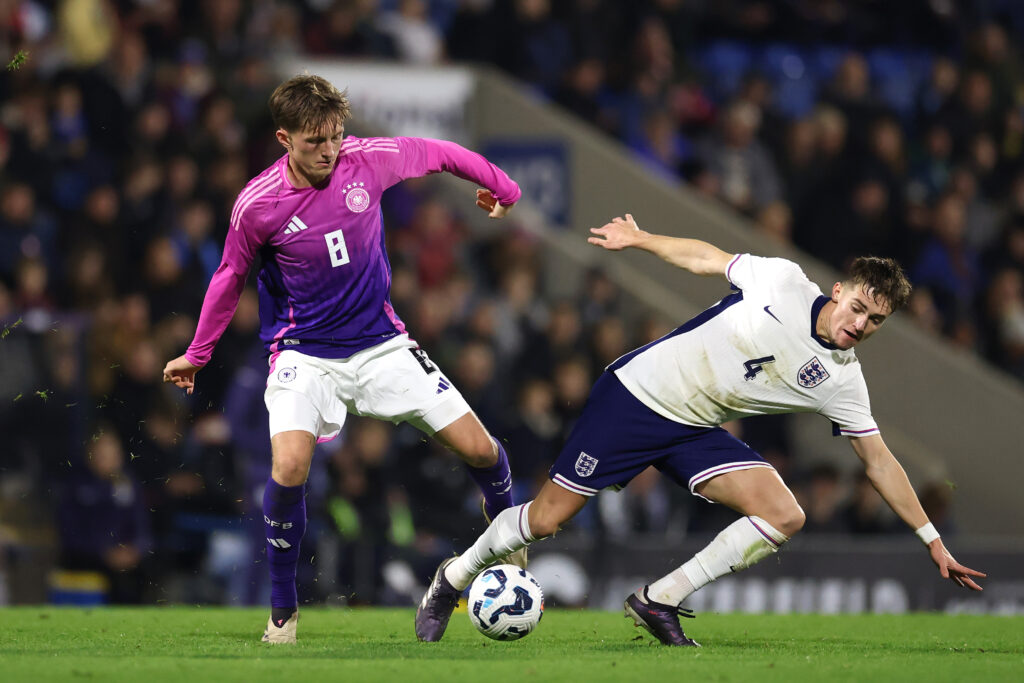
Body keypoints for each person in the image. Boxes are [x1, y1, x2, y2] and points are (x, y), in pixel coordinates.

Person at [415, 213, 987, 645]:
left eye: (875, 321)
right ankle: (454, 576)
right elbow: (707, 257)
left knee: (785, 513)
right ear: (839, 290)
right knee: (544, 520)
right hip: (638, 396)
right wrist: (641, 240)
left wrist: (932, 541)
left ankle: (658, 599)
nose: (860, 325)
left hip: (694, 427)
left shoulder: (844, 382)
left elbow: (879, 461)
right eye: (858, 307)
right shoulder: (783, 283)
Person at [162, 74, 523, 644]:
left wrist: (504, 189)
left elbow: (441, 153)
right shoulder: (258, 204)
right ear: (284, 138)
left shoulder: (367, 159)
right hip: (304, 354)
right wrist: (197, 353)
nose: (329, 150)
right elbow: (230, 276)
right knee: (288, 468)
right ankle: (283, 612)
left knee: (482, 450)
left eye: (334, 136)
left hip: (382, 344)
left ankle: (511, 548)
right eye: (314, 142)